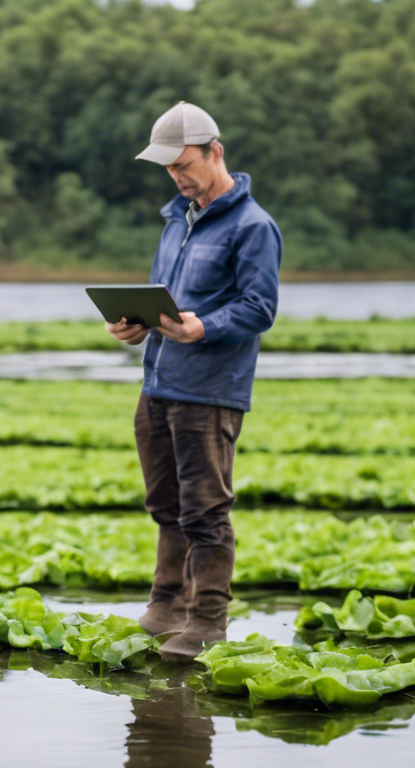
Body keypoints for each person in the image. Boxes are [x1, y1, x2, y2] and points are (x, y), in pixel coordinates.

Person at [106, 101, 281, 663]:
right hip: (158, 381)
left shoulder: (253, 226)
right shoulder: (174, 222)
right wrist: (133, 325)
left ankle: (207, 620)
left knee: (205, 508)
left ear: (215, 152)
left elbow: (259, 307)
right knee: (165, 503)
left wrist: (202, 327)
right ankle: (164, 606)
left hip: (210, 389)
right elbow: (166, 303)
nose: (176, 176)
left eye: (184, 164)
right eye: (168, 168)